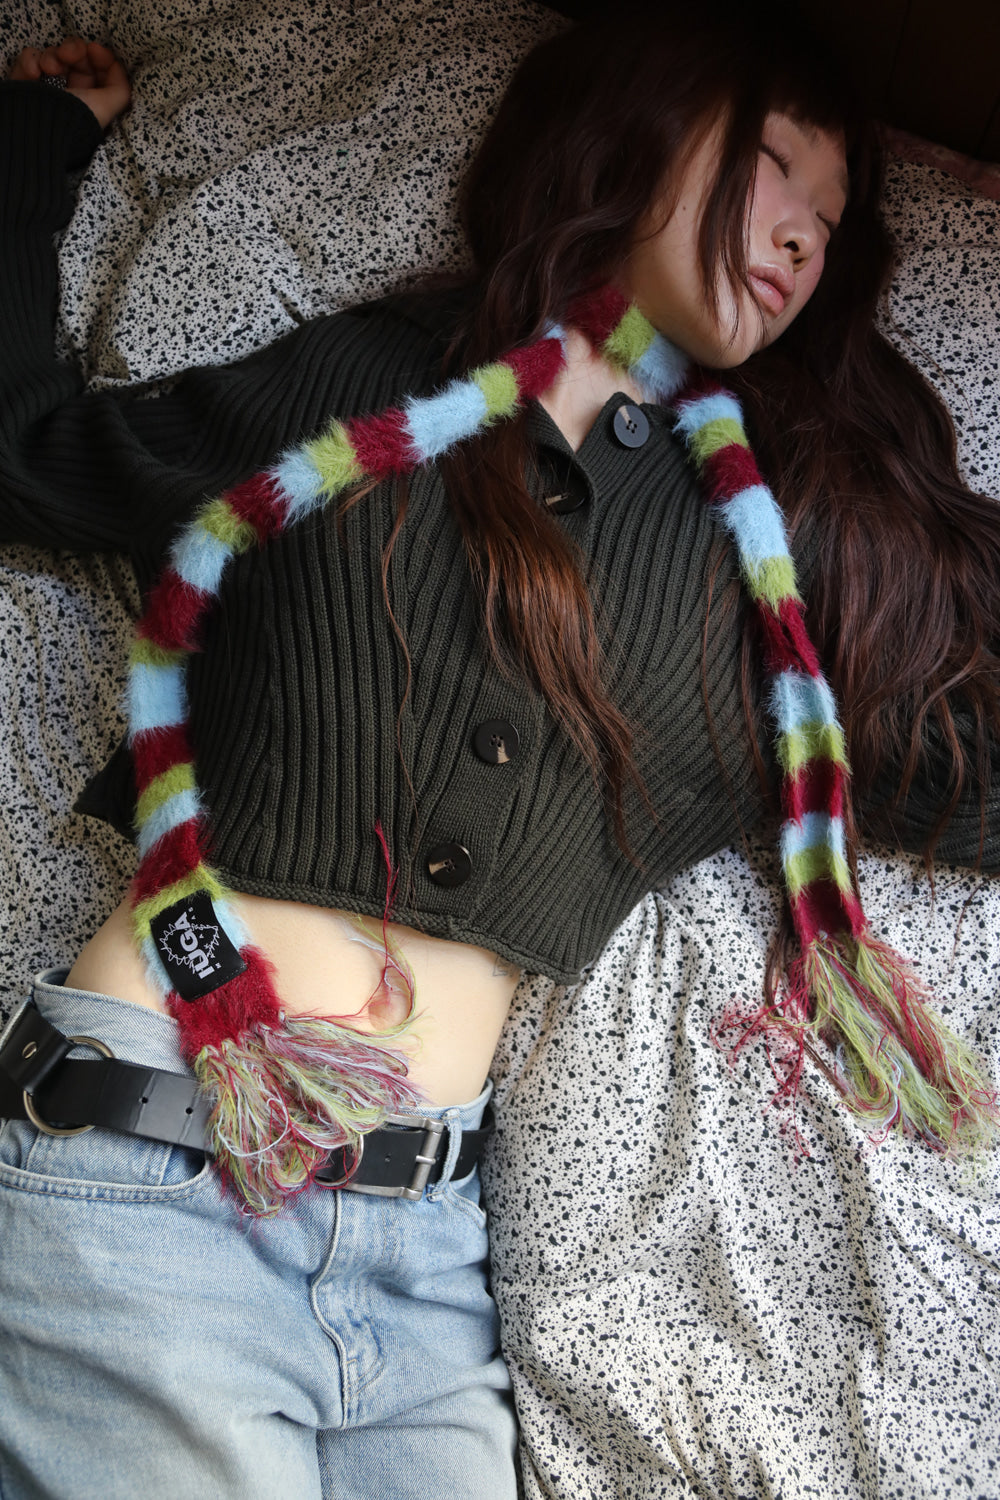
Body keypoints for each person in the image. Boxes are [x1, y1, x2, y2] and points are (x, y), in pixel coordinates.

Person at [1, 9, 998, 1498]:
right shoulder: (377, 379)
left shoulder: (777, 571)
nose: (800, 235)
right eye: (778, 165)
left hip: (420, 1265)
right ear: (647, 123)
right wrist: (34, 149)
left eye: (831, 222)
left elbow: (959, 780)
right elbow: (29, 451)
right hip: (157, 1164)